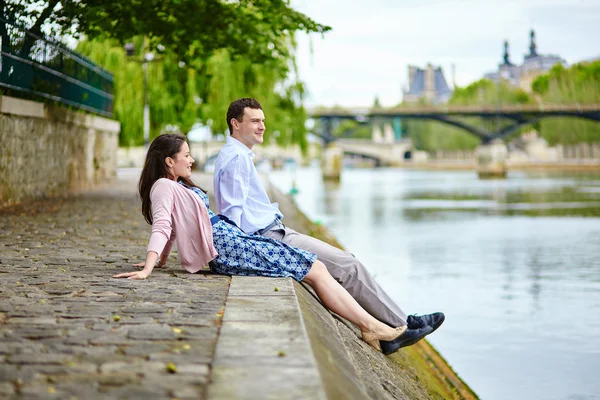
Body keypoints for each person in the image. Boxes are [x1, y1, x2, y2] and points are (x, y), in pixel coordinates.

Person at [113, 133, 433, 355]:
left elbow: (171, 231)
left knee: (315, 266)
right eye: (186, 156)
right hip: (227, 247)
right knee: (314, 269)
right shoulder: (163, 188)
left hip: (231, 240)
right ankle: (372, 327)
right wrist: (149, 266)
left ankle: (377, 326)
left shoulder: (173, 185)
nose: (192, 160)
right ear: (169, 161)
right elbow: (163, 226)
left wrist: (160, 260)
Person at [213, 98, 445, 354]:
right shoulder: (236, 158)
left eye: (263, 121)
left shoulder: (236, 155)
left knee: (347, 264)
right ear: (235, 124)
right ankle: (400, 326)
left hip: (272, 230)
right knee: (349, 266)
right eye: (255, 121)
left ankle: (395, 324)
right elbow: (232, 215)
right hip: (268, 236)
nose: (262, 126)